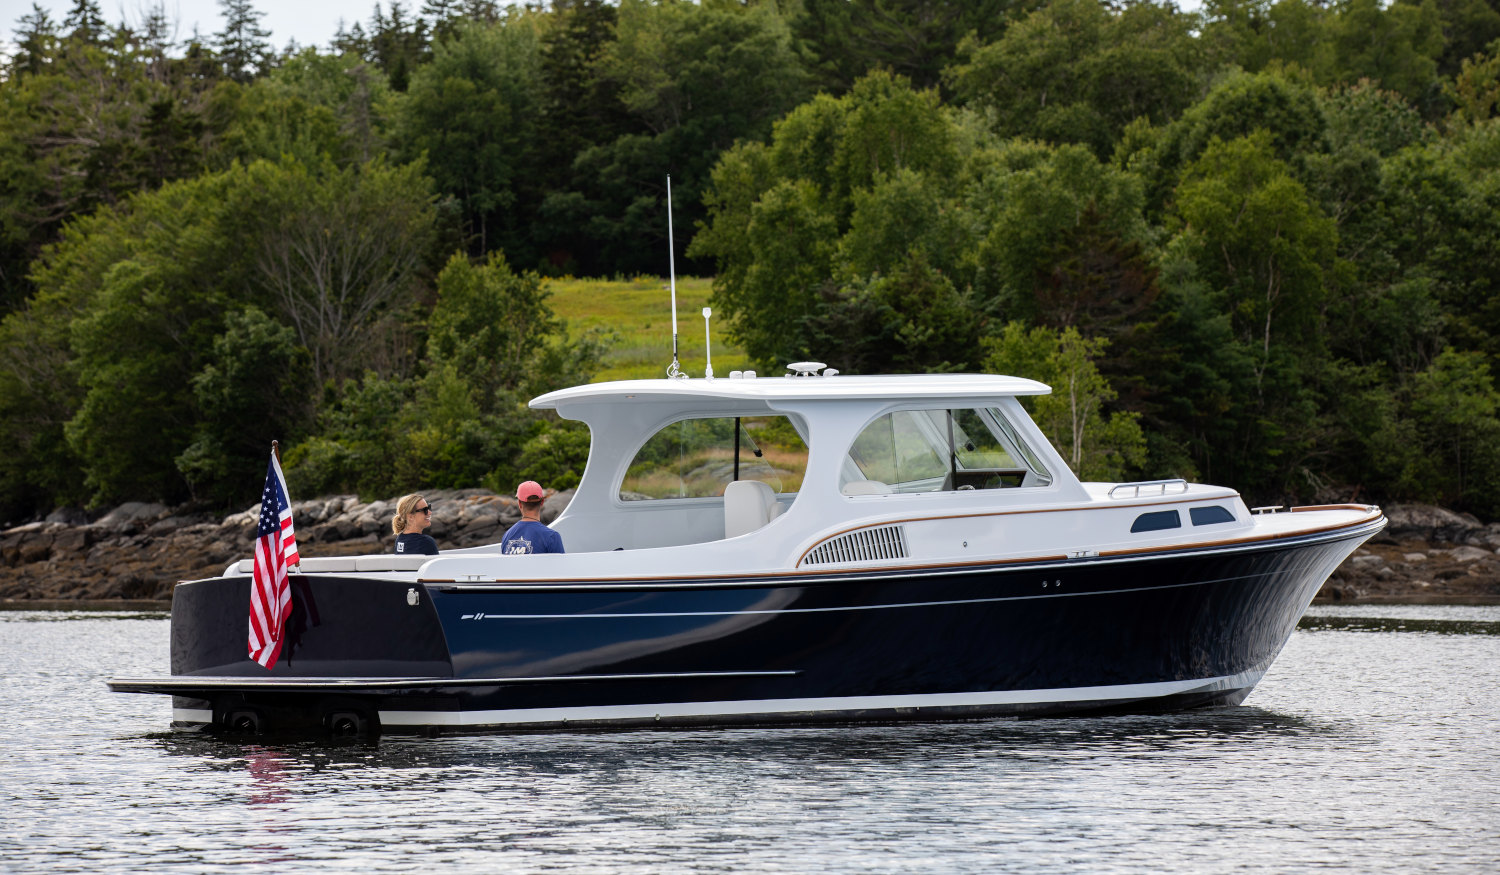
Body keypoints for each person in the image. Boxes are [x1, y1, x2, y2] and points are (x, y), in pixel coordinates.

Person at [501, 481, 564, 554]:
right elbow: (560, 565)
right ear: (542, 502)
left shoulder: (507, 535)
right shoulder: (552, 536)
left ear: (519, 503)